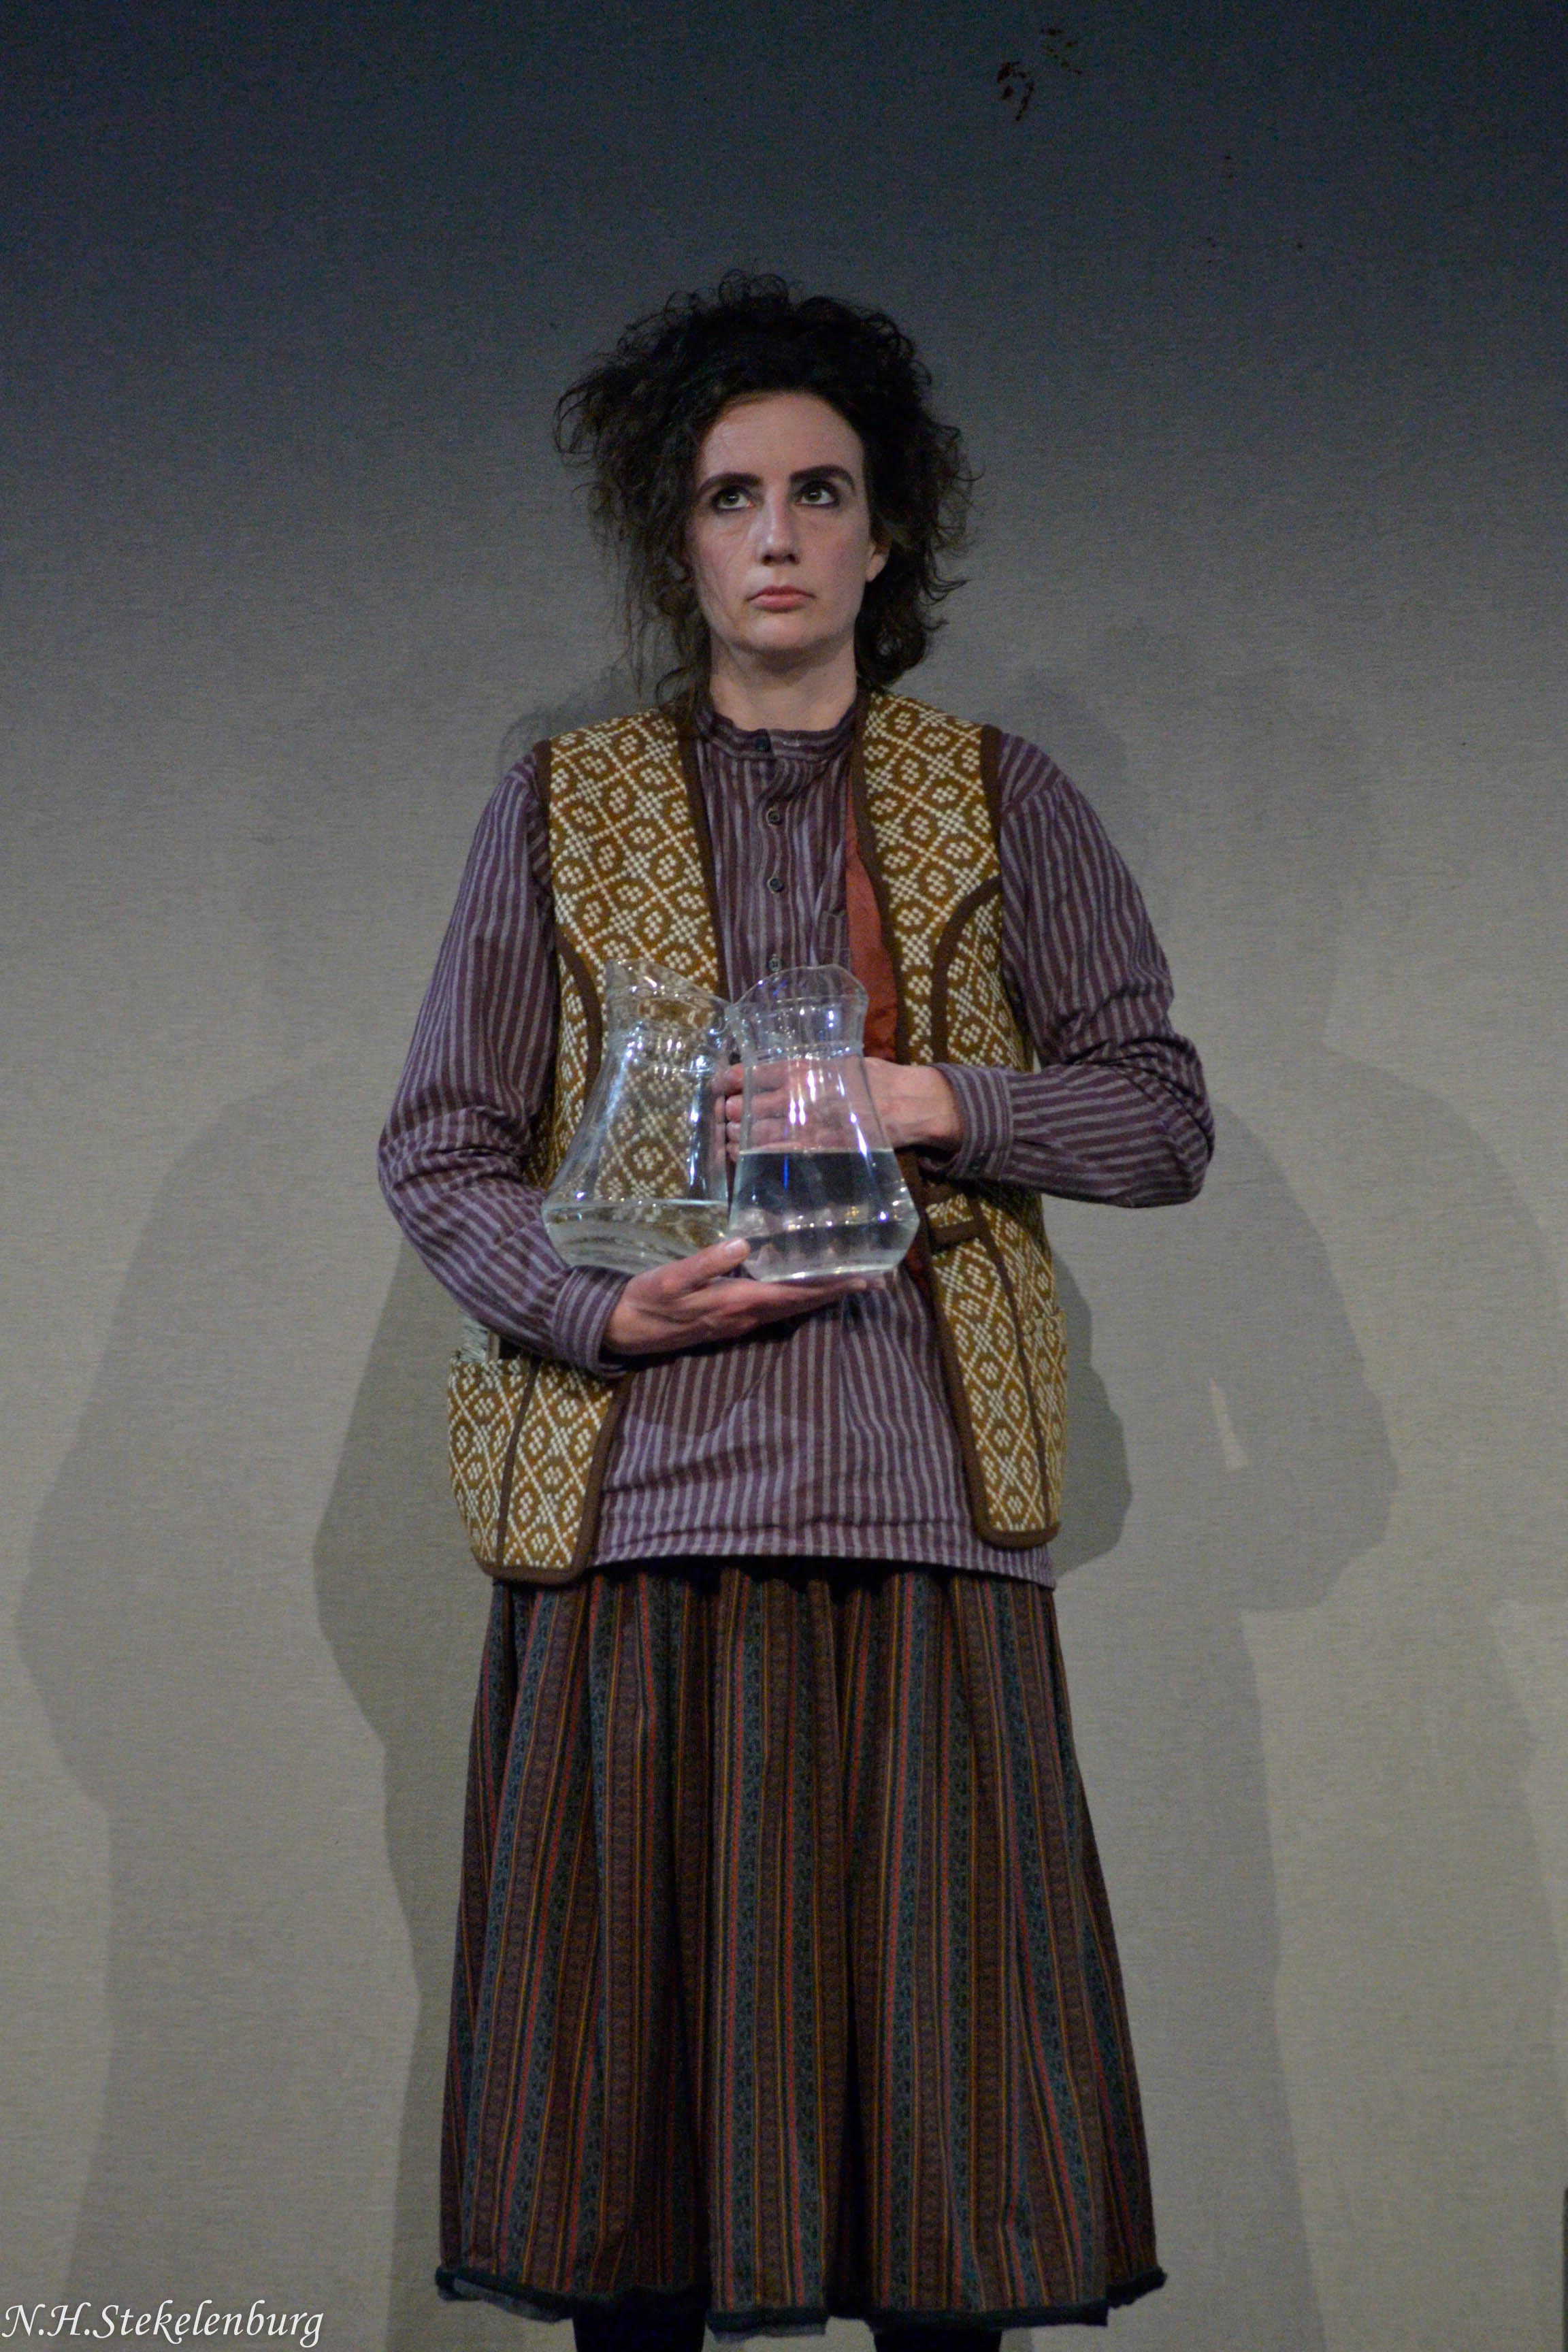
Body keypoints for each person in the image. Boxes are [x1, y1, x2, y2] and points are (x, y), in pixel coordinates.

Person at [378, 274, 1213, 2351]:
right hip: (645, 1524)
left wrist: (941, 1100)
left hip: (922, 1523)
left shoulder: (998, 794)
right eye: (730, 495)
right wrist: (593, 1314)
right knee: (635, 2158)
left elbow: (1160, 1116)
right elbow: (443, 1145)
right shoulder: (561, 804)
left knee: (943, 2153)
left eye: (819, 492)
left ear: (884, 528)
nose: (776, 535)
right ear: (676, 539)